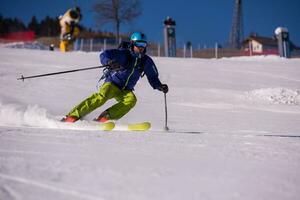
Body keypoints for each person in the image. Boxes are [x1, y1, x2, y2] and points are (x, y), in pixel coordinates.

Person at [61, 32, 169, 123]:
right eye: (139, 44)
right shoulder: (123, 54)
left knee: (131, 100)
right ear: (132, 43)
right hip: (112, 83)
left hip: (125, 89)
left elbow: (153, 77)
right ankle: (73, 115)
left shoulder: (146, 61)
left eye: (143, 44)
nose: (141, 47)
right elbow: (104, 54)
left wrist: (159, 86)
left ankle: (105, 117)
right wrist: (109, 62)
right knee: (102, 97)